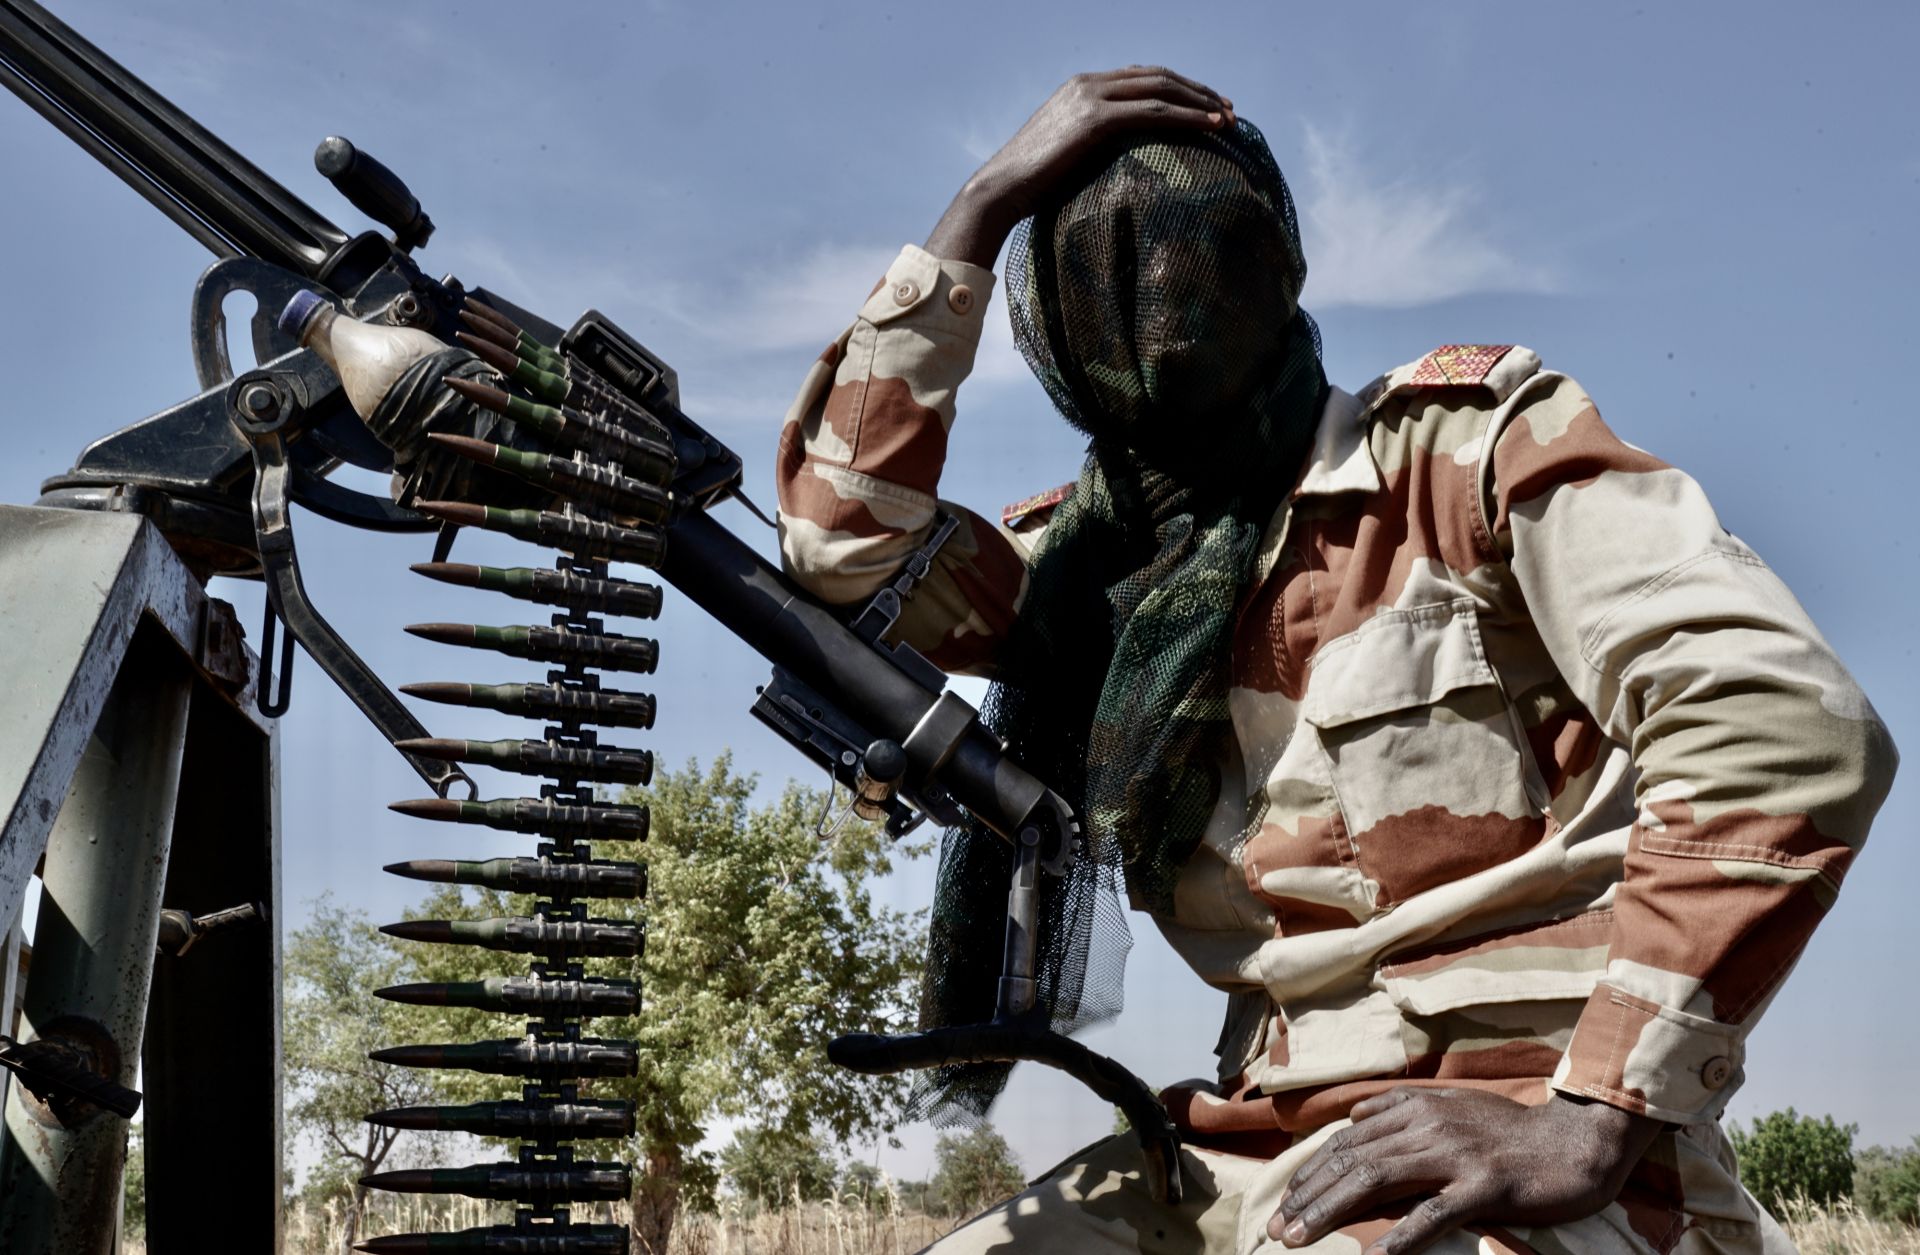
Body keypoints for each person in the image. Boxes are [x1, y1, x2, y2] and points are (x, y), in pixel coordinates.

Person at [774, 67, 1897, 1255]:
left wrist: (1596, 1113)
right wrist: (981, 207)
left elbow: (1783, 721)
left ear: (1270, 264)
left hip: (1532, 1156)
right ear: (1047, 315)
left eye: (1186, 253)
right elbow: (842, 549)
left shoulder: (1467, 461)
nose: (1148, 293)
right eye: (1094, 268)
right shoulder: (1080, 573)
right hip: (1257, 1140)